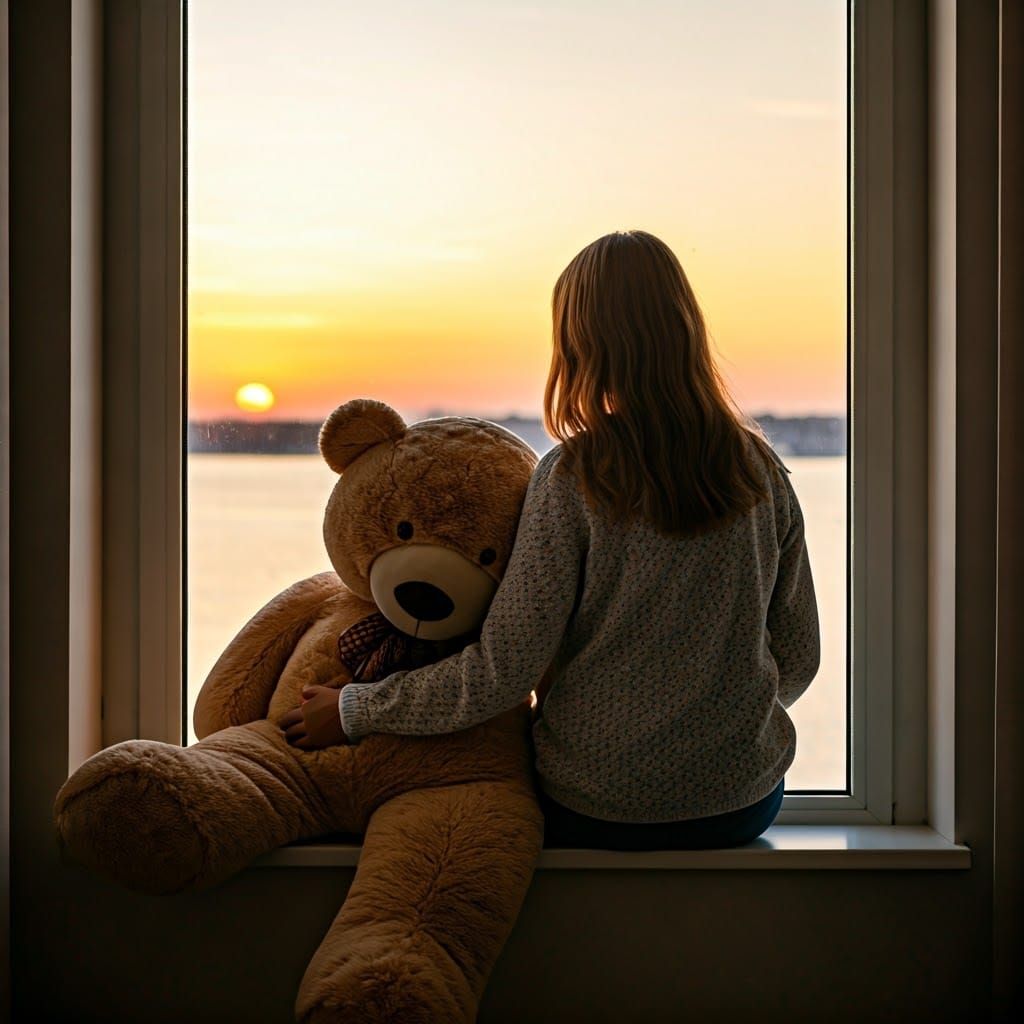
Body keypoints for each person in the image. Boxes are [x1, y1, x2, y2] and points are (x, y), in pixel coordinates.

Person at [282, 229, 820, 850]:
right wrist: (706, 711)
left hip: (592, 804)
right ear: (686, 330)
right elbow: (798, 657)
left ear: (579, 346)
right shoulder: (760, 471)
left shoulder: (573, 477)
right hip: (739, 805)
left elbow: (502, 673)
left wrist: (355, 709)